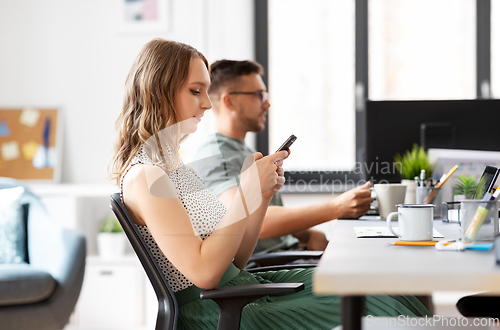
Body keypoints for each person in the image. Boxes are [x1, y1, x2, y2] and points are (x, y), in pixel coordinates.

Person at [111, 38, 431, 329]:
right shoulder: (146, 177)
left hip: (236, 290)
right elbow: (205, 273)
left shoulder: (175, 168)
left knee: (380, 286)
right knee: (374, 300)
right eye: (196, 91)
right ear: (159, 91)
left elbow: (234, 259)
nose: (207, 104)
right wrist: (245, 191)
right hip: (212, 310)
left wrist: (260, 197)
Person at [191, 59, 373, 253]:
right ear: (230, 101)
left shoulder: (240, 151)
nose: (267, 103)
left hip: (287, 255)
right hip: (270, 267)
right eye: (259, 95)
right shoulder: (217, 154)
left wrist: (308, 234)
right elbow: (245, 218)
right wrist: (336, 207)